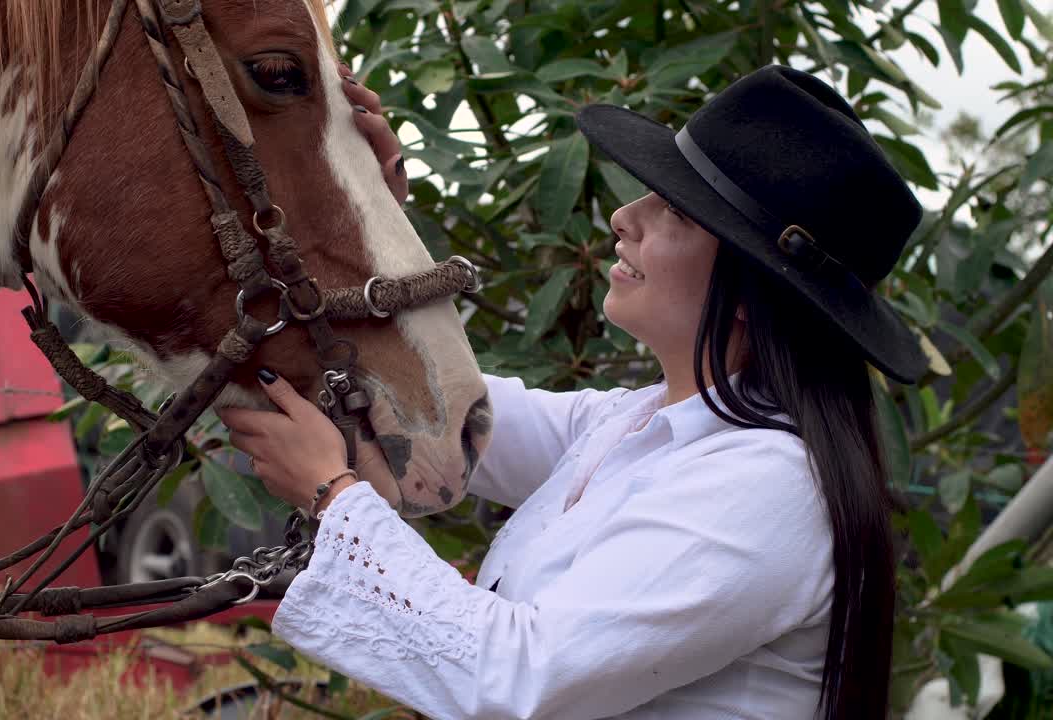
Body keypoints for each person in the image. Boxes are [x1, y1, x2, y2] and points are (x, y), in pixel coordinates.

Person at [217, 64, 927, 719]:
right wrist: (368, 203)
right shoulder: (636, 425)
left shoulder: (766, 487)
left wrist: (331, 493)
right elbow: (435, 401)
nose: (627, 216)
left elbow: (516, 677)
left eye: (677, 211)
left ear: (751, 292)